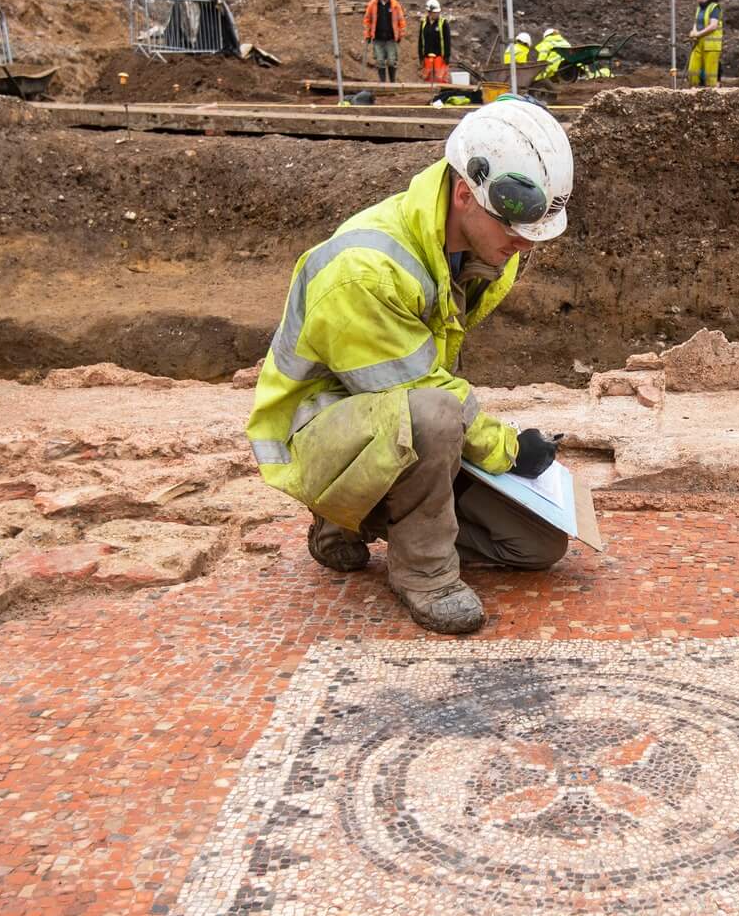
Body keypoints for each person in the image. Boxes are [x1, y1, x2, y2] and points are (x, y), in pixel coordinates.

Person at [246, 100, 575, 635]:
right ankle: (423, 572)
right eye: (514, 229)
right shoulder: (366, 270)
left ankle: (362, 519)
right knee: (435, 414)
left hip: (395, 422)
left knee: (536, 545)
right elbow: (423, 391)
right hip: (319, 437)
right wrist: (509, 447)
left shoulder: (474, 250)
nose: (522, 245)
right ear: (466, 192)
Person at [363, 0, 406, 84]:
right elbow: (367, 20)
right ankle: (382, 83)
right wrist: (367, 34)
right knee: (380, 61)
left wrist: (400, 34)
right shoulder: (373, 5)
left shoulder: (395, 5)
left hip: (391, 38)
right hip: (378, 38)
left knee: (392, 61)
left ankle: (392, 82)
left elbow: (401, 21)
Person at [687, 0, 723, 88]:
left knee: (710, 74)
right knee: (693, 70)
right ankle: (693, 91)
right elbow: (696, 22)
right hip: (698, 43)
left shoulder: (714, 8)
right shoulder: (699, 8)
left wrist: (698, 34)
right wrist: (693, 32)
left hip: (711, 46)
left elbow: (713, 25)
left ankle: (711, 94)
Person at [418, 0, 453, 84]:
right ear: (429, 12)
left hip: (440, 57)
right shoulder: (424, 23)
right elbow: (421, 40)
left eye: (438, 12)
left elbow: (447, 40)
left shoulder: (443, 23)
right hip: (427, 57)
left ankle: (441, 95)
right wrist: (421, 56)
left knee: (440, 79)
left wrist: (447, 56)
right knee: (428, 79)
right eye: (435, 12)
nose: (437, 14)